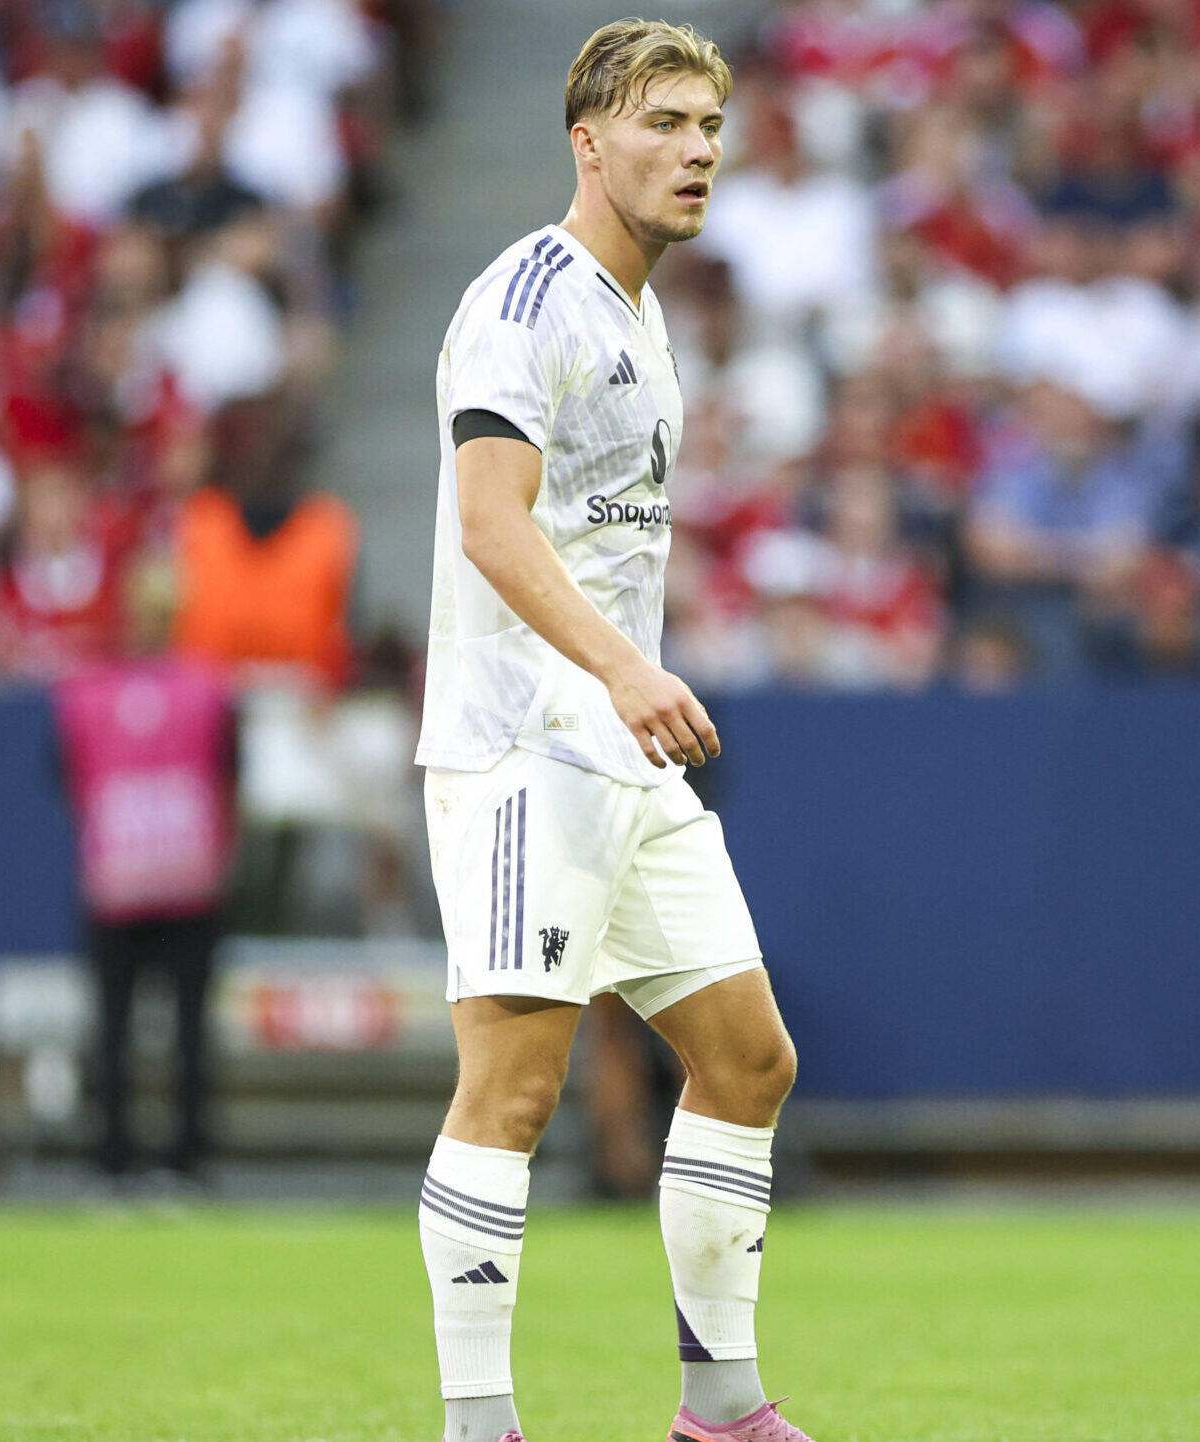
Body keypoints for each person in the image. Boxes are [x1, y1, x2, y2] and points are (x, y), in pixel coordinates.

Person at [414, 22, 810, 1442]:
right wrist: (626, 671)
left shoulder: (640, 311)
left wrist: (628, 689)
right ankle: (479, 1425)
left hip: (618, 750)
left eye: (711, 122)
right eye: (666, 124)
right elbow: (490, 523)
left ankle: (721, 1409)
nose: (700, 147)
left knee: (750, 1056)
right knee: (512, 1089)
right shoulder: (528, 299)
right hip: (525, 744)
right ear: (590, 143)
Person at [50, 564, 239, 1183]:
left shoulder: (88, 695)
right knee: (139, 1034)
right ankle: (154, 1160)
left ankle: (141, 1161)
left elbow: (62, 778)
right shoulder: (207, 690)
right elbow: (232, 777)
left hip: (147, 883)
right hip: (162, 883)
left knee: (148, 1033)